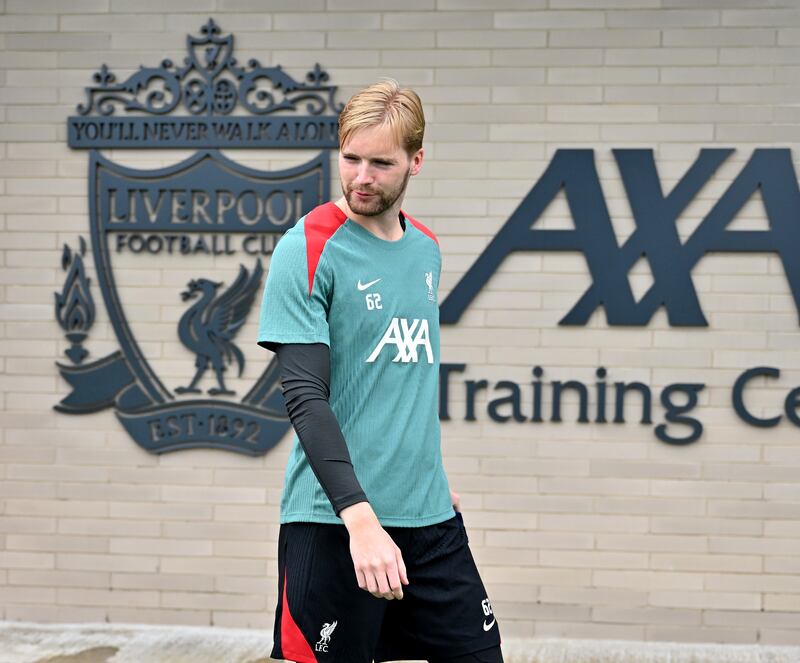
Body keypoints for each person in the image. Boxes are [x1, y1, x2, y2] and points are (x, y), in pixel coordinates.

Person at [257, 80, 503, 663]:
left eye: (381, 163)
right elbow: (306, 398)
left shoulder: (426, 250)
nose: (362, 177)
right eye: (351, 159)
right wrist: (360, 521)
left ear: (417, 162)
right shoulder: (308, 247)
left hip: (429, 519)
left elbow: (398, 379)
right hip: (337, 523)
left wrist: (425, 473)